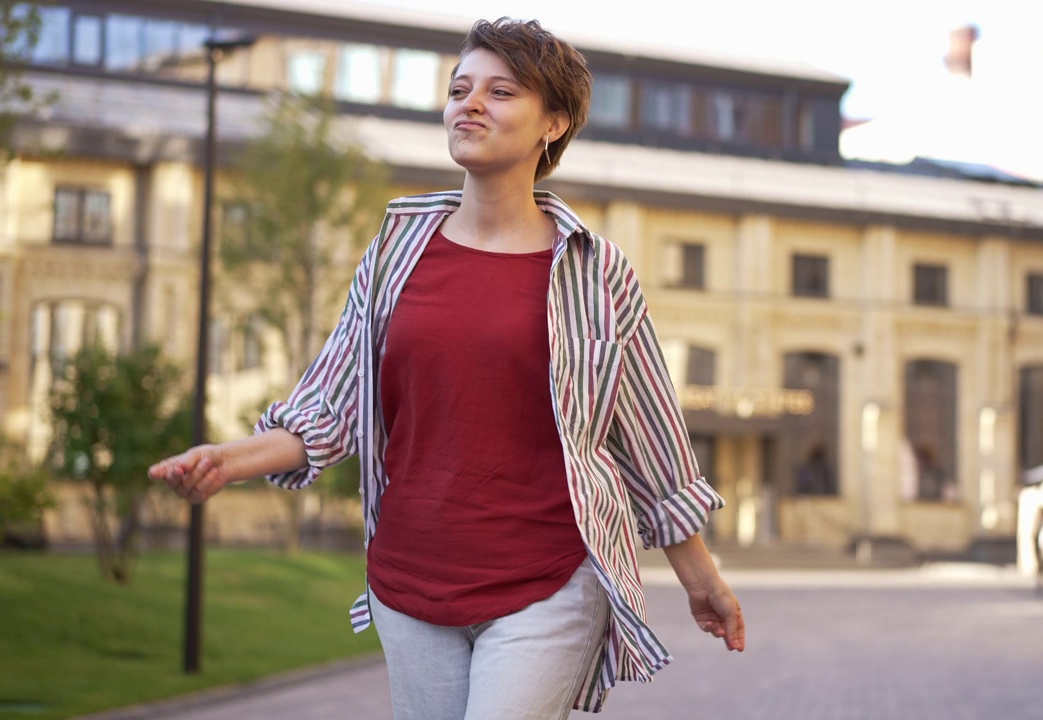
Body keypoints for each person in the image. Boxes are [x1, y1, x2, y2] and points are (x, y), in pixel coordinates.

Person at [148, 16, 745, 720]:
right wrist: (229, 459)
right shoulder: (397, 251)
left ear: (553, 122)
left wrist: (700, 575)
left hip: (549, 579)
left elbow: (649, 436)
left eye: (501, 91)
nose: (471, 103)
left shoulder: (594, 270)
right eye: (460, 88)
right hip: (411, 579)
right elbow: (332, 406)